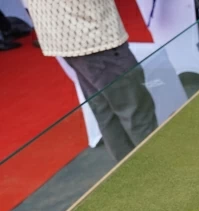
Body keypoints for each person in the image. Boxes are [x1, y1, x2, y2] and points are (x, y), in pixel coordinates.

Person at [23, 0, 157, 161]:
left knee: (106, 111)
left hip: (64, 34)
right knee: (135, 111)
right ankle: (159, 168)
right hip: (92, 33)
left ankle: (133, 169)